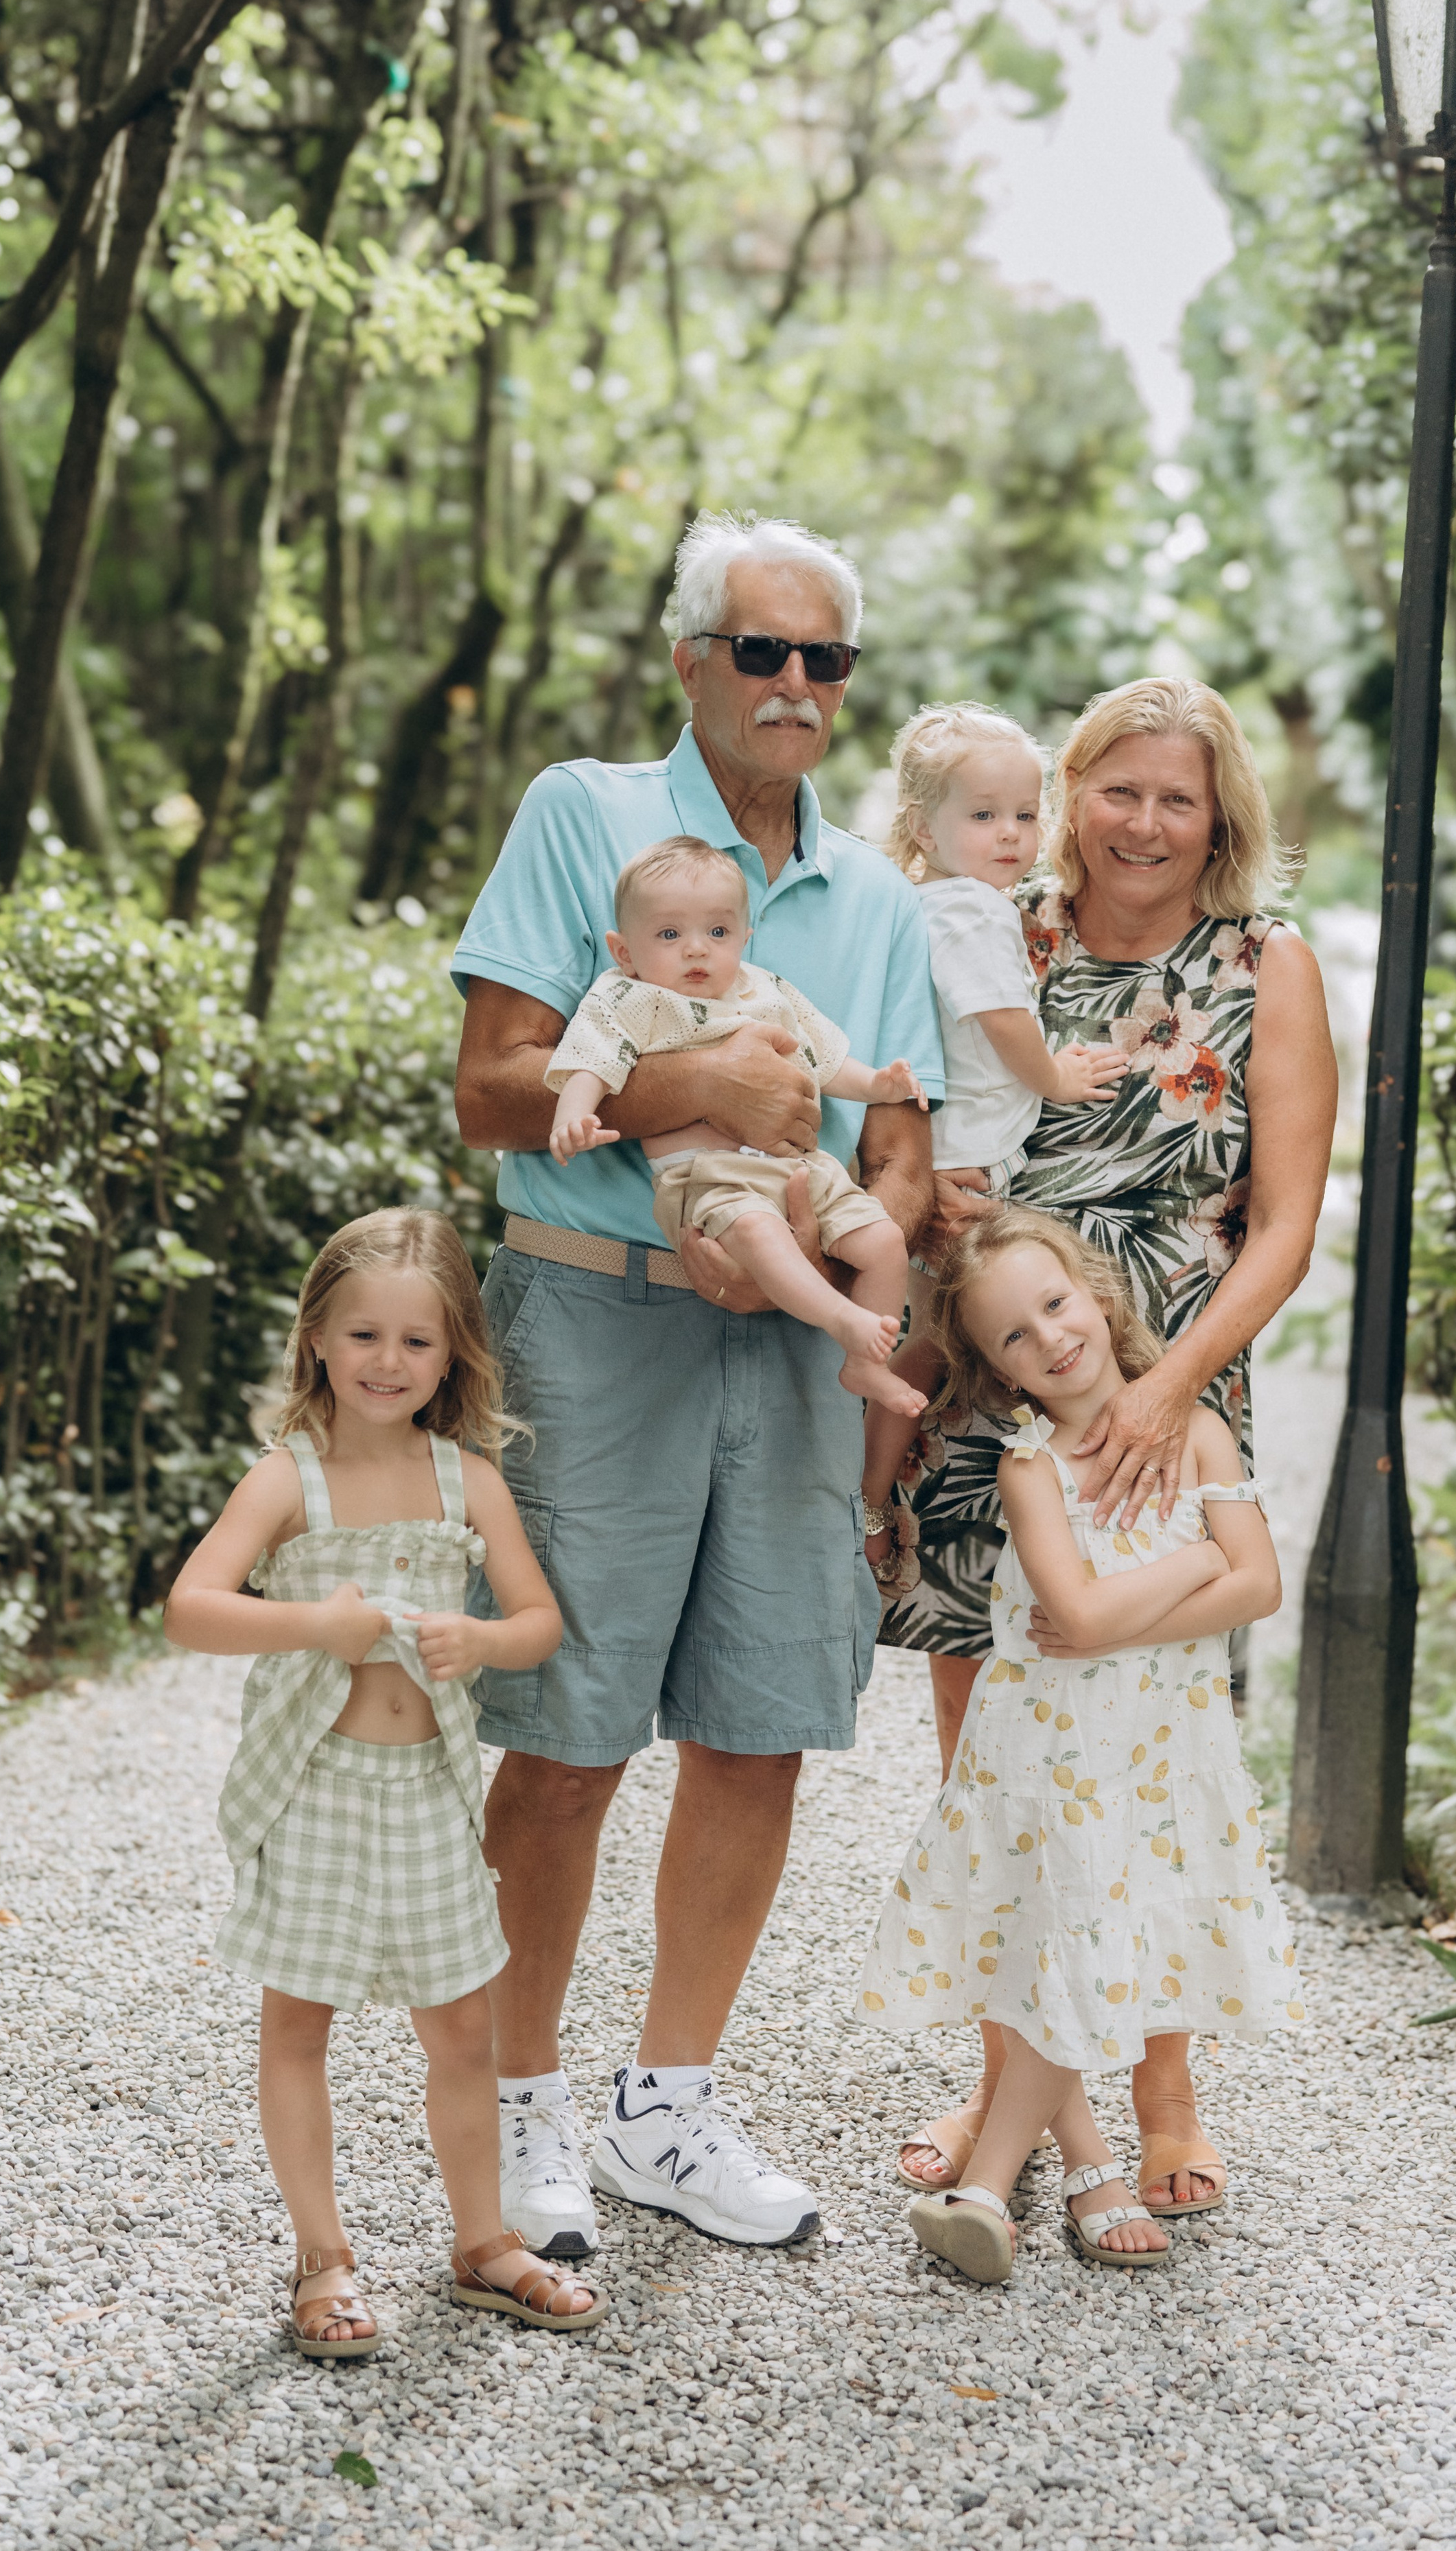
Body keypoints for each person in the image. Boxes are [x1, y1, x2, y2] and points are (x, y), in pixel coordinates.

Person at [450, 511, 944, 2258]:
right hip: (596, 1321)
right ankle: (519, 2117)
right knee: (569, 1738)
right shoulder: (581, 813)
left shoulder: (874, 897)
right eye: (762, 651)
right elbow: (495, 1087)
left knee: (757, 1726)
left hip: (794, 1339)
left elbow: (896, 1143)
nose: (796, 686)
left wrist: (837, 1262)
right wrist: (697, 1097)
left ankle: (670, 2102)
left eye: (826, 660)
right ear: (691, 662)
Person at [869, 675, 1336, 2213]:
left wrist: (1165, 1392)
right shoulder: (997, 931)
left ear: (1219, 817)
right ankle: (1009, 2083)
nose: (1142, 821)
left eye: (1175, 796)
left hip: (1166, 1393)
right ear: (1070, 794)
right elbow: (902, 1124)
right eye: (1114, 789)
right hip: (989, 1384)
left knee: (1152, 1741)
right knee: (997, 1758)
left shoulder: (1263, 964)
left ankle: (1165, 2085)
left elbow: (1279, 1230)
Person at [165, 1208, 604, 2349]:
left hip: (426, 1798)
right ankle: (324, 2260)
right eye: (363, 1335)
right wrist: (318, 1621)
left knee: (464, 2032)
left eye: (417, 1342)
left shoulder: (464, 1480)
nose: (387, 1362)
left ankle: (482, 2242)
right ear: (315, 1336)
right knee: (298, 2025)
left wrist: (485, 1646)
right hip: (316, 1791)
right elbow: (191, 1609)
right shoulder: (289, 1482)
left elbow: (538, 1620)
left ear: (454, 1353)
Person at [858, 1209, 1300, 2285]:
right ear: (999, 1372)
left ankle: (1046, 2175)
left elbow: (1263, 1586)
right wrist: (1199, 1564)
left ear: (1097, 1296)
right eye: (1015, 1336)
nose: (1049, 1339)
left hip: (1155, 1759)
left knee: (1074, 1955)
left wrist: (1186, 1578)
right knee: (1055, 1949)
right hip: (1053, 1758)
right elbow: (1087, 1617)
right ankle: (1016, 2181)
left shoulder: (1198, 1433)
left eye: (1055, 1306)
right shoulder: (1031, 1467)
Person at [546, 832, 930, 1418]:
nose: (697, 951)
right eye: (670, 935)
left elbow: (824, 1059)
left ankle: (866, 1368)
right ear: (624, 950)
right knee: (756, 1231)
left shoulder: (766, 990)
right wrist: (574, 1113)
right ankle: (840, 1319)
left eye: (717, 933)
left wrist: (878, 1084)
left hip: (803, 1167)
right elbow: (594, 1058)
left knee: (883, 1242)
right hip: (709, 1178)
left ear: (745, 938)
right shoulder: (631, 998)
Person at [858, 701, 1126, 1519]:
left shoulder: (921, 902)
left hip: (948, 1142)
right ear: (924, 828)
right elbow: (1000, 1018)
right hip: (972, 1151)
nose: (1011, 834)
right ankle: (870, 1491)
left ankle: (873, 1483)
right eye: (982, 816)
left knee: (939, 1333)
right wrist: (1056, 1077)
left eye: (1024, 813)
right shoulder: (973, 909)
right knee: (948, 1338)